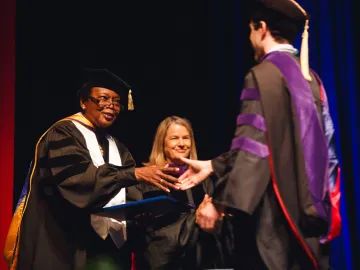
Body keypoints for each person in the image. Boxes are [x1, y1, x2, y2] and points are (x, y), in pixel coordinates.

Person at [177, 1, 341, 269]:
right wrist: (211, 165)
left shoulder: (263, 75)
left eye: (251, 30)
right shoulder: (309, 78)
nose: (250, 38)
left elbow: (254, 149)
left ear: (262, 28)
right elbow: (283, 145)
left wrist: (219, 204)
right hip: (309, 215)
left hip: (275, 217)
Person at [3, 69, 180, 270]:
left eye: (116, 101)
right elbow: (78, 181)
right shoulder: (63, 133)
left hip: (105, 250)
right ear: (83, 102)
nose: (111, 106)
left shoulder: (118, 148)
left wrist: (139, 214)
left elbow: (126, 195)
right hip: (63, 244)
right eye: (103, 99)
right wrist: (134, 174)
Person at [128, 116, 233, 270]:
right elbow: (149, 231)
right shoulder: (148, 180)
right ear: (162, 143)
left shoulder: (204, 180)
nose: (182, 144)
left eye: (186, 138)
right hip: (164, 262)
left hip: (202, 260)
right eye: (174, 138)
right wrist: (195, 218)